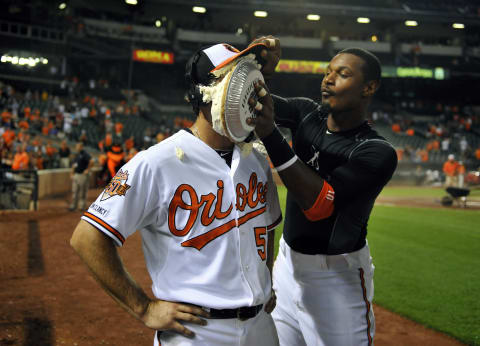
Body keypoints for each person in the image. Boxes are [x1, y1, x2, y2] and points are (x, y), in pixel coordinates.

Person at [70, 42, 282, 346]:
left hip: (262, 326)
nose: (248, 91)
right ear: (201, 93)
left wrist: (266, 280)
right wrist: (143, 307)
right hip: (197, 332)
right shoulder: (157, 161)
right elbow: (86, 237)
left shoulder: (256, 159)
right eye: (234, 79)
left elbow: (266, 226)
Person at [248, 37, 398, 346]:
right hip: (287, 266)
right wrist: (257, 71)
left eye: (342, 74)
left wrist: (272, 135)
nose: (328, 79)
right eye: (328, 71)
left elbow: (319, 205)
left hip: (336, 282)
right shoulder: (307, 113)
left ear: (368, 88)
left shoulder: (375, 151)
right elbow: (251, 103)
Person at [69, 142, 93, 211]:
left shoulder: (85, 154)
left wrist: (87, 170)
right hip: (76, 174)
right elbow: (74, 165)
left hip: (82, 175)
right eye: (76, 146)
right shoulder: (77, 154)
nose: (76, 148)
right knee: (75, 191)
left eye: (78, 146)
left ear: (81, 147)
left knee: (82, 191)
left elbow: (91, 161)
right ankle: (74, 205)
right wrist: (72, 173)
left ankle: (81, 206)